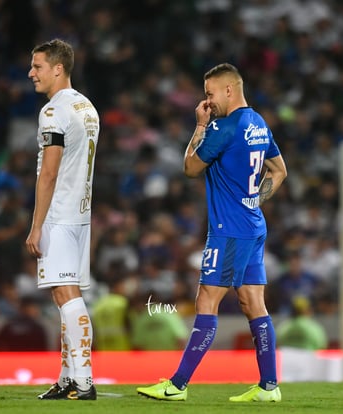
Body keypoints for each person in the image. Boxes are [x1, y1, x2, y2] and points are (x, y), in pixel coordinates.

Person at [137, 63, 287, 402]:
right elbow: (279, 171)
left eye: (210, 93)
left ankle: (177, 385)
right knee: (252, 302)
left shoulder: (223, 125)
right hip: (252, 225)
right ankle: (269, 387)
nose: (207, 100)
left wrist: (199, 125)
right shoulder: (259, 123)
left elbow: (190, 167)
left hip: (230, 230)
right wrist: (254, 200)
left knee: (207, 299)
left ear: (229, 90)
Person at [25, 39, 100, 400]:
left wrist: (37, 225)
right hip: (81, 213)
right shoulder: (86, 106)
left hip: (59, 214)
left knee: (67, 296)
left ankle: (83, 379)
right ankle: (69, 376)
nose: (31, 73)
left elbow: (49, 172)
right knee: (63, 294)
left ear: (58, 68)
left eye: (37, 66)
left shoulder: (53, 112)